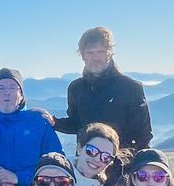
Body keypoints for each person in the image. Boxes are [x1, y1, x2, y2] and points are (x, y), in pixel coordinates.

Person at [54, 26, 153, 156]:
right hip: (86, 165)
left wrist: (132, 163)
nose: (96, 58)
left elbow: (143, 135)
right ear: (83, 55)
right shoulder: (76, 88)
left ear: (110, 53)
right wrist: (54, 122)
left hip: (120, 167)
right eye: (90, 53)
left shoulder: (130, 88)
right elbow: (76, 124)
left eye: (101, 52)